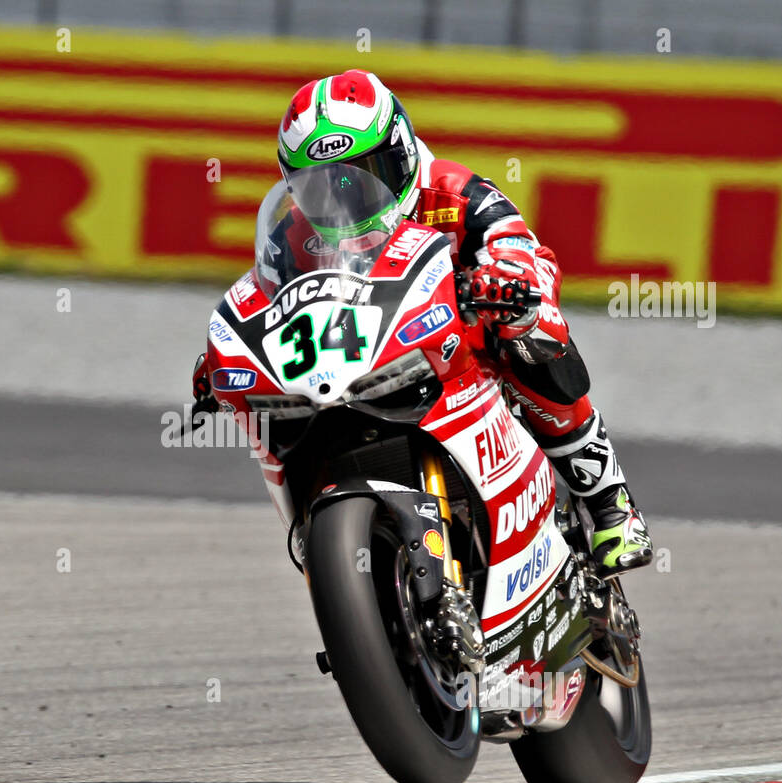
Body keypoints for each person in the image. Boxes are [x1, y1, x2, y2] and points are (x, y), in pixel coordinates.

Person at [193, 70, 651, 573]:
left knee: (533, 333)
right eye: (324, 187)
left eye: (365, 174)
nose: (347, 199)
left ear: (403, 152)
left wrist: (509, 285)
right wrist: (235, 354)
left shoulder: (456, 193)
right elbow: (269, 295)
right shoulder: (294, 232)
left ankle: (610, 500)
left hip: (461, 344)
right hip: (366, 355)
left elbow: (521, 247)